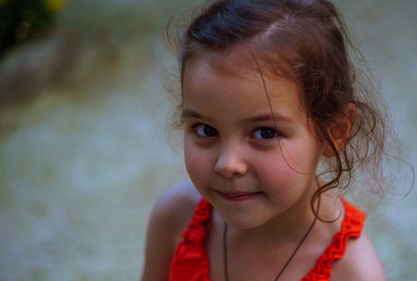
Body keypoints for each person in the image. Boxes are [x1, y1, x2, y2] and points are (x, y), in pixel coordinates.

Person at [141, 0, 392, 280]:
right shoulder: (176, 218)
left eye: (265, 133)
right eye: (206, 129)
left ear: (334, 131)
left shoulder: (352, 273)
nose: (228, 164)